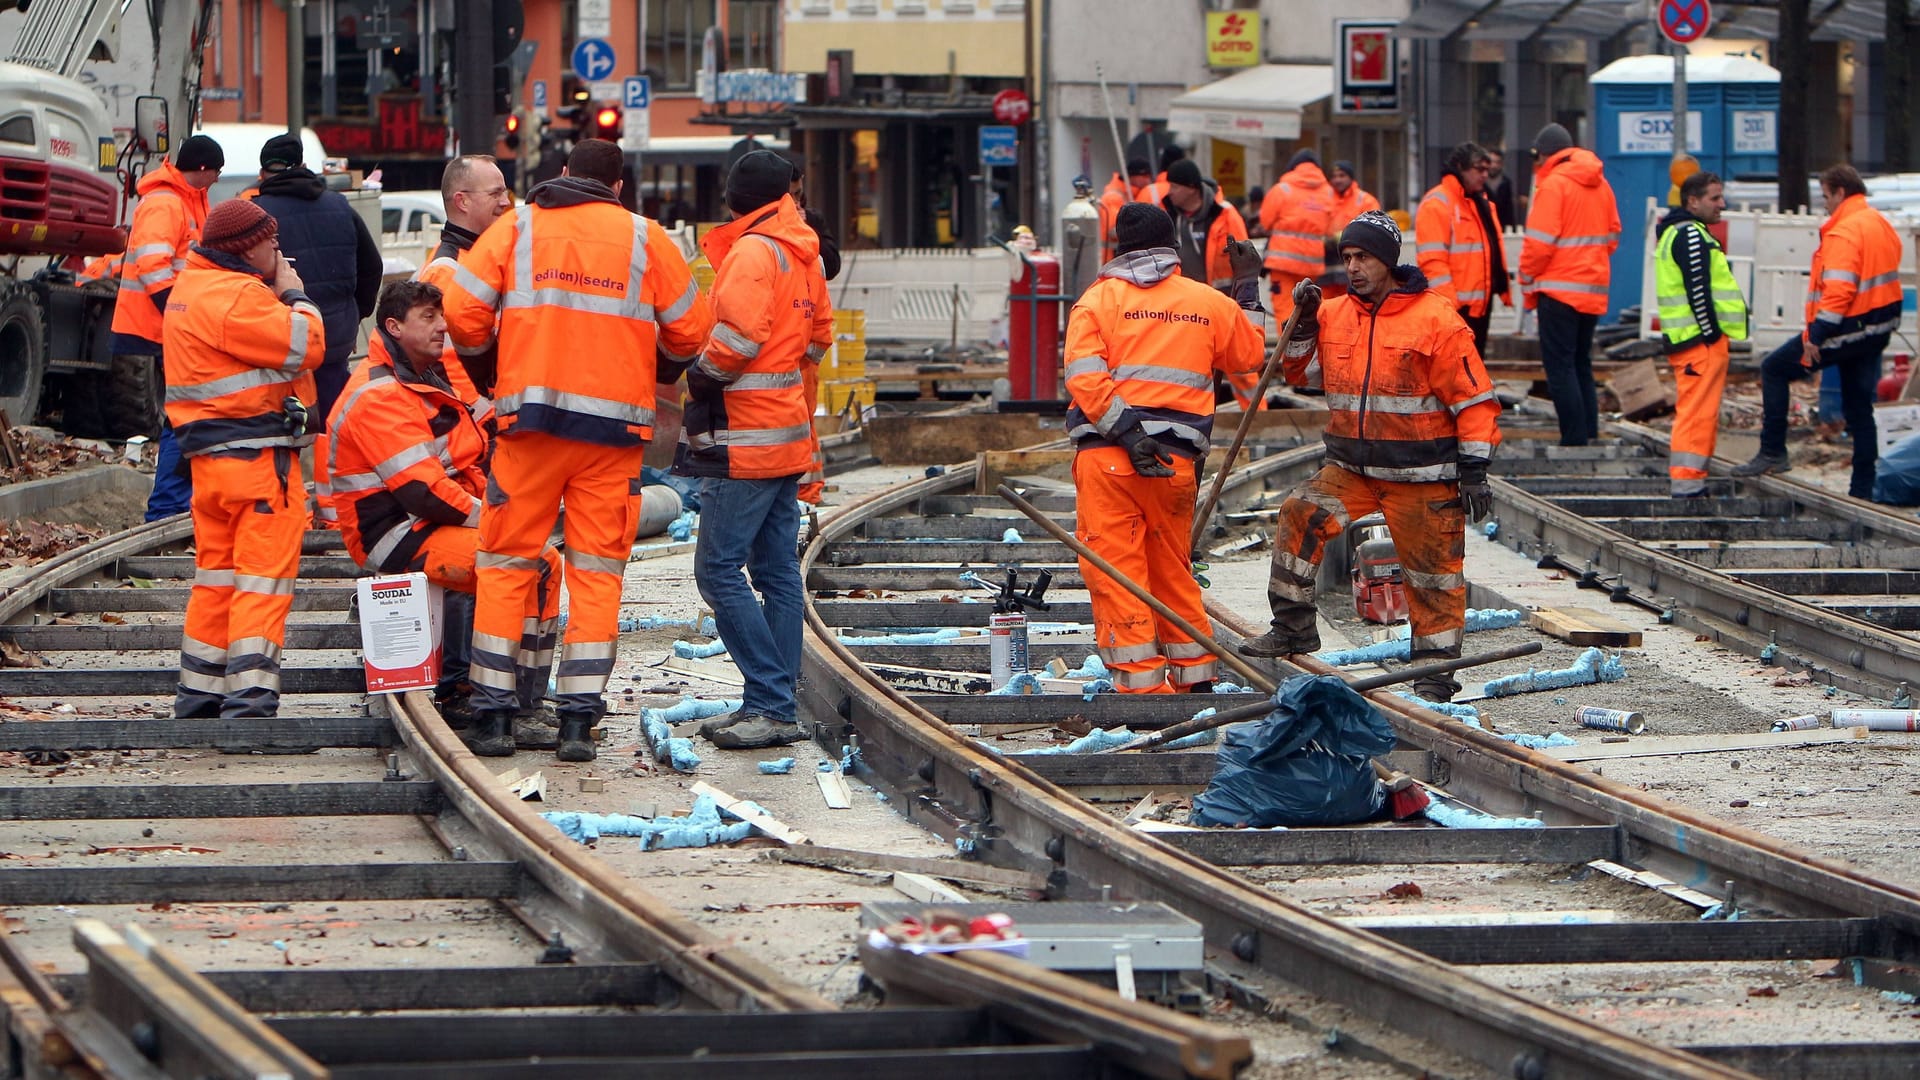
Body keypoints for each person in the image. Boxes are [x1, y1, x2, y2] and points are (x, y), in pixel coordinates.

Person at [441, 139, 714, 762]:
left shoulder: (517, 229)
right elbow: (691, 331)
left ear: (563, 175)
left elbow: (462, 311)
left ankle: (493, 719)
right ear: (619, 187)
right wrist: (654, 372)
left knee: (507, 566)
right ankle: (576, 724)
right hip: (611, 439)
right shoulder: (646, 239)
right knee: (596, 575)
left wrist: (489, 372)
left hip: (529, 430)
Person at [1241, 212, 1502, 703]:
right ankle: (1293, 627)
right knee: (1299, 514)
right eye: (1346, 258)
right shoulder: (1335, 313)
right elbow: (1302, 373)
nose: (1353, 267)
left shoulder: (1436, 319)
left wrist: (1475, 470)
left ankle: (1435, 675)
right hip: (1352, 470)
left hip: (1422, 476)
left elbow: (1474, 401)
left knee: (1433, 576)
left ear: (1387, 260)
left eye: (1362, 257)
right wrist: (1300, 323)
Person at [327, 281, 562, 747]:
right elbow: (424, 493)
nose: (442, 327)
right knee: (520, 564)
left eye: (441, 316)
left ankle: (521, 701)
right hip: (396, 532)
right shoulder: (380, 394)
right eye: (428, 318)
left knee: (541, 562)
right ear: (393, 327)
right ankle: (498, 702)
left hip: (420, 524)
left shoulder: (419, 377)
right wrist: (497, 521)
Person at [1064, 205, 1267, 693]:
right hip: (1174, 464)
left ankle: (1143, 692)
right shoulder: (1206, 302)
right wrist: (1246, 284)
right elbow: (1250, 356)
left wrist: (1130, 434)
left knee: (1117, 574)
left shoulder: (1097, 302)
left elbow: (1084, 377)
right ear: (1172, 246)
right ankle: (1195, 680)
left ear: (1119, 248)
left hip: (1109, 458)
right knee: (1172, 571)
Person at [681, 150, 833, 751]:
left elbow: (736, 339)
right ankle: (772, 701)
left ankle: (770, 701)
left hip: (744, 439)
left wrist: (701, 376)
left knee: (717, 570)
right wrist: (786, 381)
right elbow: (818, 338)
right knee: (775, 572)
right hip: (786, 435)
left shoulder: (752, 250)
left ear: (735, 196)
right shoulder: (804, 250)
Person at [163, 199, 324, 719]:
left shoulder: (190, 288)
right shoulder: (237, 295)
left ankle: (200, 692)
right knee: (261, 581)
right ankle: (251, 699)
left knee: (217, 578)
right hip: (257, 464)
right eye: (272, 243)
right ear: (248, 246)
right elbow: (307, 345)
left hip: (209, 464)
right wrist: (292, 292)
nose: (279, 251)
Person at [1733, 163, 1903, 499]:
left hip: (1848, 326)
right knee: (1859, 408)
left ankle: (1772, 452)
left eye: (1826, 196)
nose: (1824, 203)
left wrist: (1817, 336)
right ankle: (1862, 491)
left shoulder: (1845, 230)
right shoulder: (1878, 223)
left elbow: (1839, 289)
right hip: (1878, 326)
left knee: (1774, 368)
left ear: (1841, 193)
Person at [115, 133, 223, 522]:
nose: (216, 179)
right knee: (183, 416)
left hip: (173, 325)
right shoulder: (166, 203)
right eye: (215, 172)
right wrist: (178, 312)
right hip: (165, 325)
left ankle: (171, 508)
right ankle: (166, 510)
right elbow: (153, 264)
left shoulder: (187, 200)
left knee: (183, 415)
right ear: (200, 169)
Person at [247, 134, 384, 425]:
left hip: (280, 340)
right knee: (335, 425)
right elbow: (372, 266)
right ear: (304, 165)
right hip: (335, 337)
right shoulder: (339, 205)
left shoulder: (256, 215)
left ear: (262, 174)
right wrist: (354, 314)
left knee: (288, 425)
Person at [1519, 123, 1619, 447]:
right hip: (1592, 288)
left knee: (1560, 368)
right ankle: (1588, 433)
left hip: (1559, 290)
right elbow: (1613, 234)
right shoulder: (1600, 184)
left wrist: (1526, 275)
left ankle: (1574, 439)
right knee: (1581, 364)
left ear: (1544, 154)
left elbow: (1539, 243)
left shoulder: (1553, 185)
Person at [1654, 171, 1747, 498]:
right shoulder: (1691, 235)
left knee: (1699, 411)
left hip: (1692, 340)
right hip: (1699, 342)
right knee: (1697, 413)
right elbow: (1699, 289)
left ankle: (1692, 479)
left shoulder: (1677, 232)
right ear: (1693, 201)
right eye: (1714, 198)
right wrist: (1710, 335)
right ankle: (1688, 483)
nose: (1722, 204)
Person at [418, 154, 515, 404]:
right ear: (462, 201)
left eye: (505, 193)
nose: (505, 202)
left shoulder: (473, 257)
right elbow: (448, 365)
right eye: (495, 194)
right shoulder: (446, 271)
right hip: (478, 424)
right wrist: (488, 418)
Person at [1416, 142, 1511, 355]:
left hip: (1479, 305)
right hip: (1457, 308)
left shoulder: (1479, 202)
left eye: (1487, 169)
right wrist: (1450, 307)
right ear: (1461, 167)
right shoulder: (1438, 203)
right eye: (1479, 169)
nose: (1485, 175)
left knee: (1473, 372)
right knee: (1456, 371)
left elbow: (1492, 249)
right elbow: (1433, 262)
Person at [1259, 149, 1335, 322]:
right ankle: (1311, 347)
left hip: (1282, 260)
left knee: (1285, 306)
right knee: (1311, 307)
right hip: (1312, 263)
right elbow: (1331, 229)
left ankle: (1287, 348)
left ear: (1293, 167)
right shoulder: (1329, 192)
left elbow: (1265, 222)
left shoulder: (1282, 189)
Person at [1161, 158, 1249, 292]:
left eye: (1175, 186)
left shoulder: (1224, 214)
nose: (1170, 192)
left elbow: (1245, 260)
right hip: (1178, 299)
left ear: (1191, 188)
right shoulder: (1167, 216)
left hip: (1218, 299)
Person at [1327, 160, 1382, 234]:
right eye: (1334, 176)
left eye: (1342, 175)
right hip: (1327, 245)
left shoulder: (1367, 201)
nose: (1337, 180)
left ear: (1351, 178)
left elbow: (1373, 229)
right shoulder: (1325, 198)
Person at [1485, 148, 1517, 237]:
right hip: (1485, 229)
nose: (1493, 166)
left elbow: (1509, 209)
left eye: (1497, 162)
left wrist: (1512, 230)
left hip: (1503, 230)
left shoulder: (1506, 183)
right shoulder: (1480, 183)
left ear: (1501, 164)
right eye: (1491, 162)